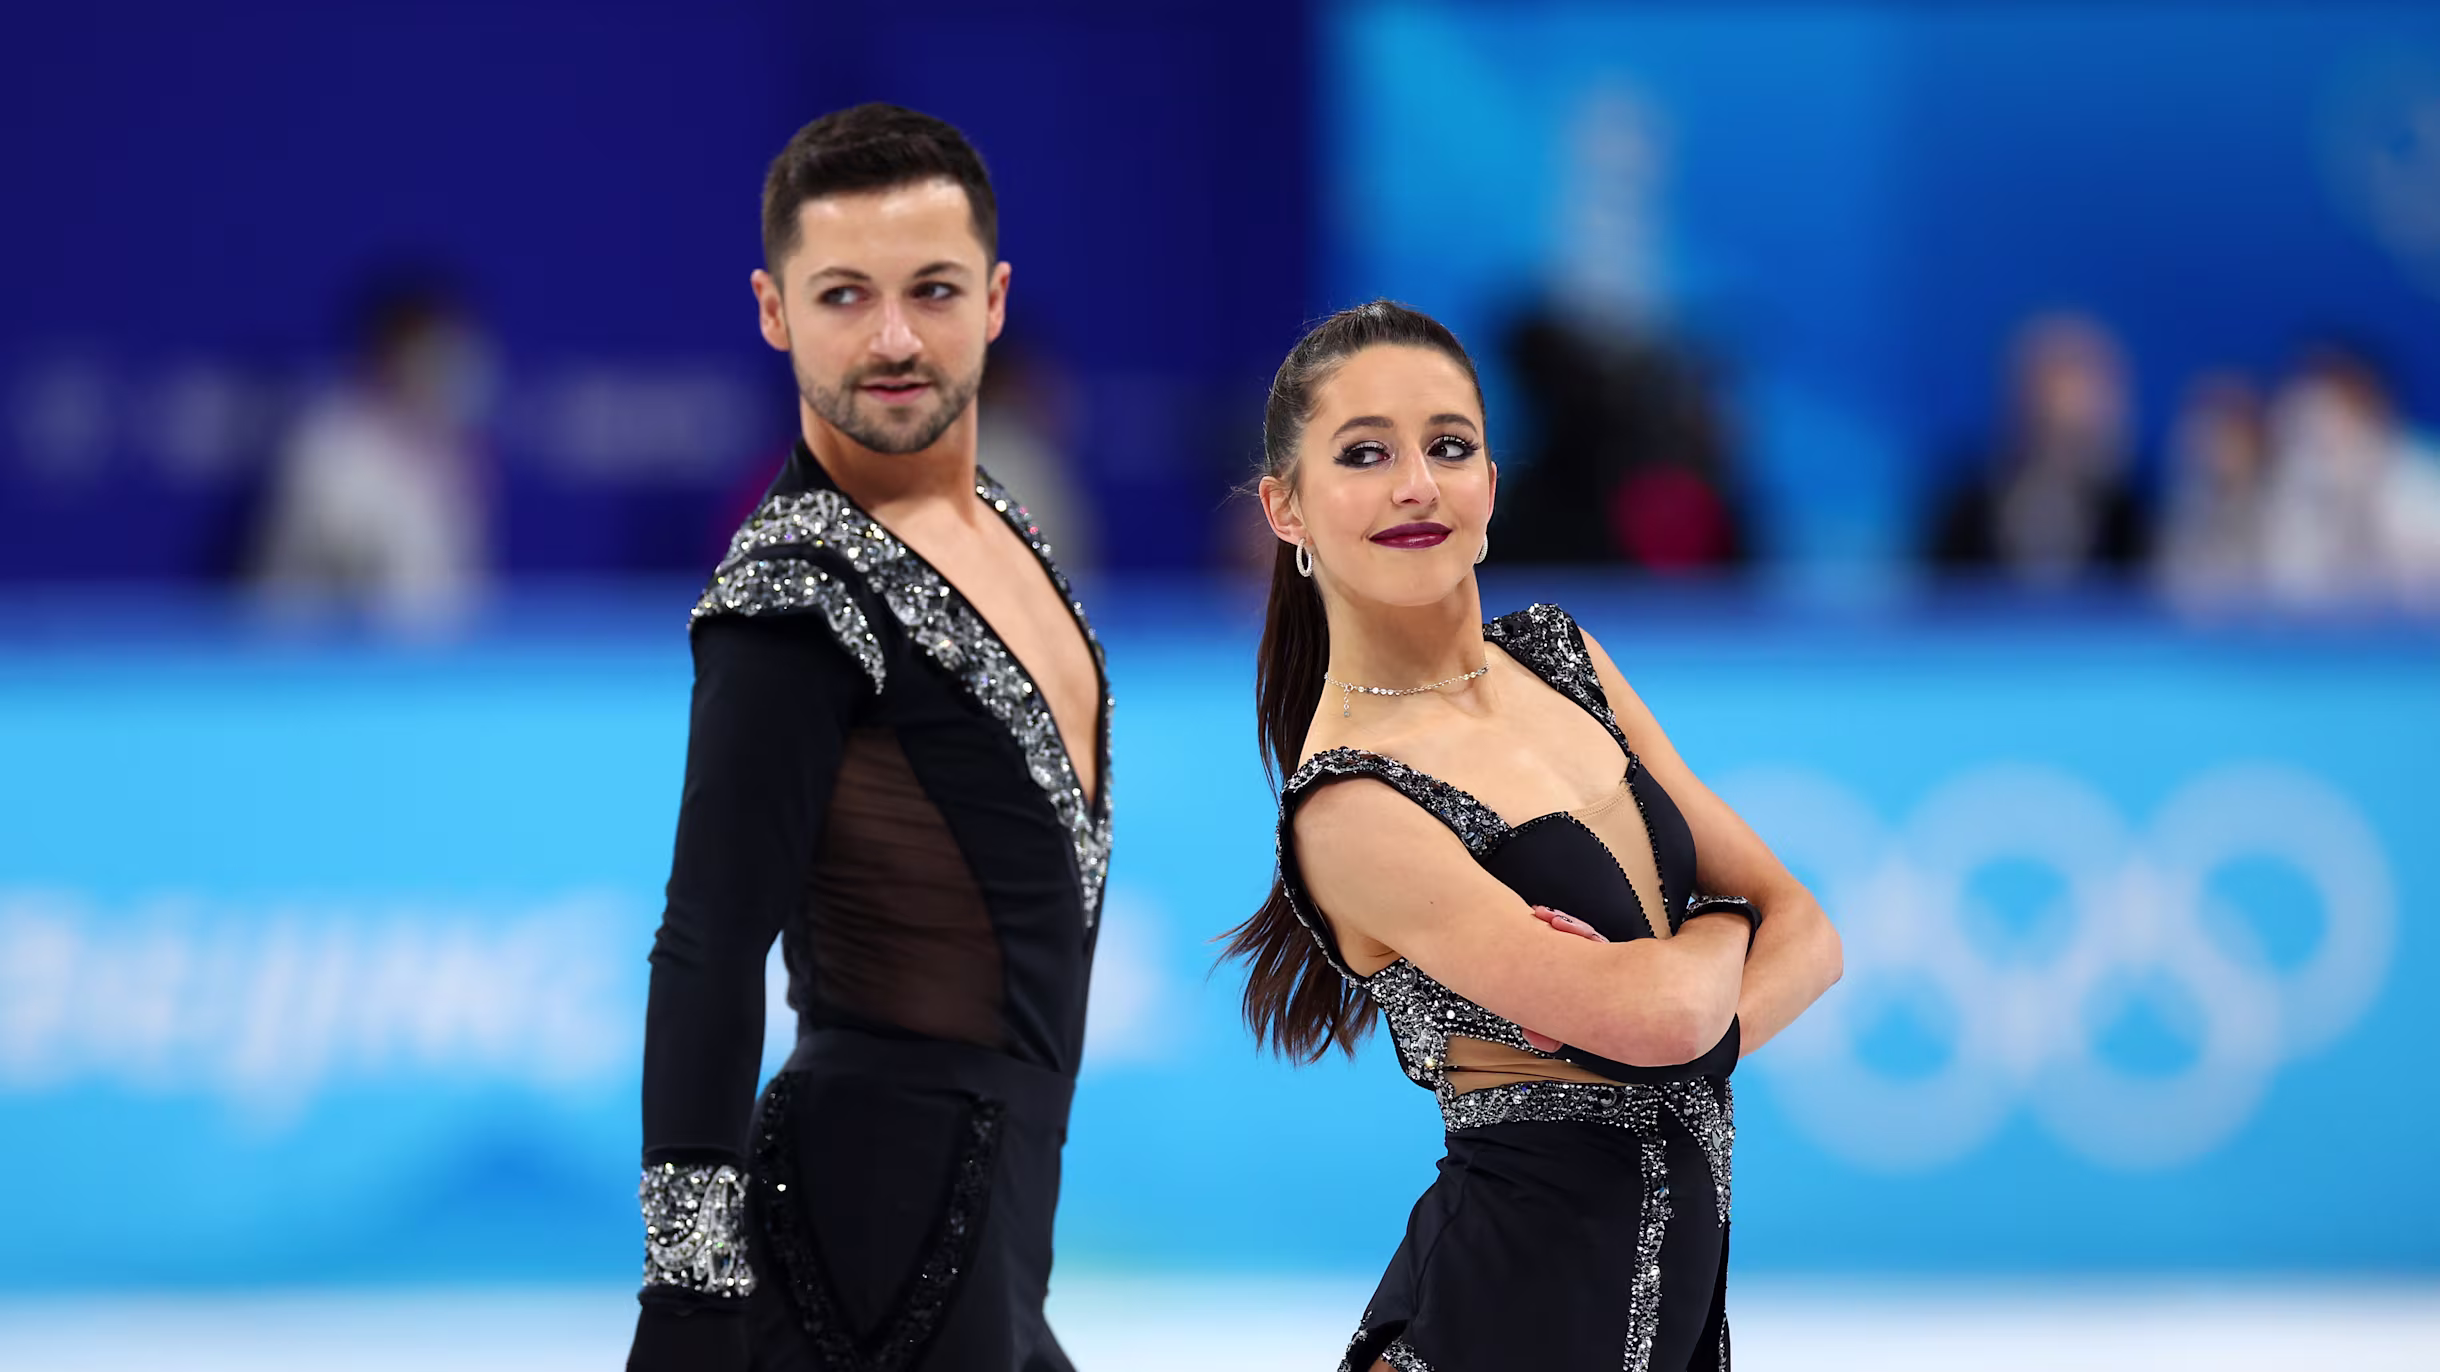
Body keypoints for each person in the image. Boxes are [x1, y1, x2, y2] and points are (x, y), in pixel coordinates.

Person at [1225, 301, 1841, 1372]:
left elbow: (1812, 932)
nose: (1416, 483)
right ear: (1287, 506)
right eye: (1365, 453)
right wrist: (1708, 940)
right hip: (1488, 1328)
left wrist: (1674, 1001)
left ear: (1492, 485)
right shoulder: (1352, 803)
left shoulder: (1565, 662)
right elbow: (1664, 1014)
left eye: (1449, 446)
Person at [628, 104, 1111, 1372]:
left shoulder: (1002, 522)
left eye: (932, 290)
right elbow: (705, 949)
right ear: (774, 309)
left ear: (995, 299)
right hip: (873, 1258)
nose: (893, 339)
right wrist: (688, 1301)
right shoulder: (789, 599)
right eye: (844, 295)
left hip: (989, 1250)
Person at [252, 269, 494, 631]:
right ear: (386, 357)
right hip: (322, 672)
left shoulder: (453, 452)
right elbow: (352, 586)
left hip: (428, 675)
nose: (449, 369)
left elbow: (453, 593)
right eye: (433, 354)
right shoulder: (330, 449)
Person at [1925, 312, 2148, 588]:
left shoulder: (2126, 510)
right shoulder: (1969, 502)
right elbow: (1936, 596)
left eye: (2092, 390)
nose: (2074, 405)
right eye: (2057, 385)